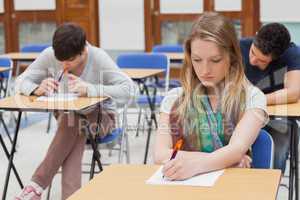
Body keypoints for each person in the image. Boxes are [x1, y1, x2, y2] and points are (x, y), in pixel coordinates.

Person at [14, 23, 136, 200]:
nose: (64, 65)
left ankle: (35, 186)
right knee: (74, 122)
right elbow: (19, 82)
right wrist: (36, 89)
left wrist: (90, 89)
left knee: (74, 119)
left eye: (69, 60)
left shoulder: (98, 57)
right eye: (60, 60)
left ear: (83, 51)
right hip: (69, 122)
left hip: (102, 120)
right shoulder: (50, 54)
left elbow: (129, 90)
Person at [154, 12, 268, 180]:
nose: (205, 70)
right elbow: (160, 155)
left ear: (232, 57)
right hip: (182, 188)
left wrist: (195, 164)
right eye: (197, 60)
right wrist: (226, 160)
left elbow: (236, 149)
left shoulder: (253, 98)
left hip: (233, 187)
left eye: (215, 60)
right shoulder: (174, 99)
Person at [240, 23, 300, 173]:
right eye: (253, 53)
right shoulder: (240, 47)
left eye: (262, 60)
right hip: (240, 117)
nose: (253, 61)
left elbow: (293, 93)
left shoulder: (292, 54)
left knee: (275, 155)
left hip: (276, 120)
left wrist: (258, 100)